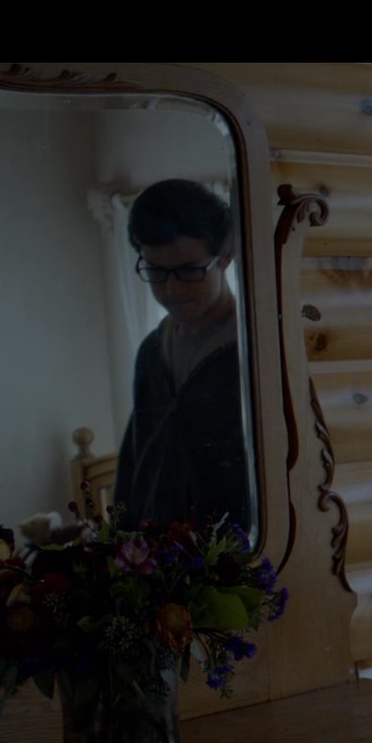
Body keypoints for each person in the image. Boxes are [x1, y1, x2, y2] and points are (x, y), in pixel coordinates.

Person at [111, 178, 254, 536]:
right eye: (156, 271)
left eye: (190, 271)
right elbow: (135, 463)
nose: (172, 289)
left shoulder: (254, 351)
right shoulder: (150, 352)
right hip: (154, 555)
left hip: (234, 557)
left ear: (226, 256)